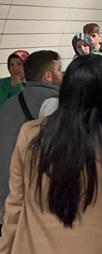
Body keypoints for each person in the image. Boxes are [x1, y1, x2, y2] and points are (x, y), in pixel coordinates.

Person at [0, 55, 102, 254]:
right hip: (100, 246)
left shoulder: (30, 133)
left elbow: (15, 204)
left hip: (35, 246)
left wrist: (5, 249)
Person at [0, 51, 63, 229]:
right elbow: (54, 152)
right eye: (59, 69)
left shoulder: (10, 102)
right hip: (26, 195)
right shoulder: (51, 103)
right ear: (48, 76)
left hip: (6, 191)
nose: (63, 74)